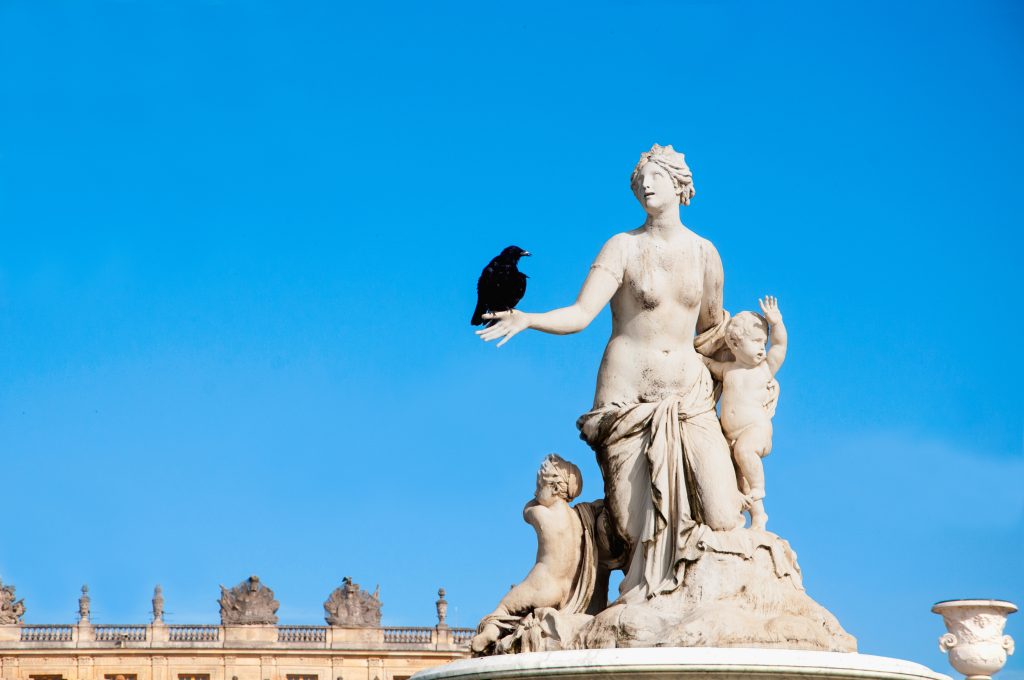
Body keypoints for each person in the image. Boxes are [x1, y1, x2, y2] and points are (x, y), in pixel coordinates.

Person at [477, 144, 745, 602]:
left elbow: (714, 330)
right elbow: (582, 314)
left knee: (722, 514)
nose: (645, 183)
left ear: (680, 183)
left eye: (655, 174)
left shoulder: (706, 254)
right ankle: (585, 559)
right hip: (627, 399)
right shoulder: (622, 247)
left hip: (689, 397)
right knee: (630, 527)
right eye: (640, 176)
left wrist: (764, 358)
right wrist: (527, 318)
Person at [471, 455, 598, 654]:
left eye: (539, 485)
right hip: (568, 590)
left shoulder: (540, 513)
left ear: (555, 489)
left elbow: (525, 511)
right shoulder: (580, 520)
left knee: (504, 609)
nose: (535, 490)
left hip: (542, 584)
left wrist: (537, 500)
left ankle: (490, 632)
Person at [703, 296, 787, 530]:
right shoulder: (729, 370)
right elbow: (707, 364)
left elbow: (779, 347)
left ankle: (760, 487)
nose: (763, 348)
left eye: (764, 342)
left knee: (745, 451)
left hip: (755, 431)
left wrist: (776, 323)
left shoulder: (764, 370)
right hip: (732, 436)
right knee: (740, 481)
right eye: (757, 342)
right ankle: (759, 516)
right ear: (735, 344)